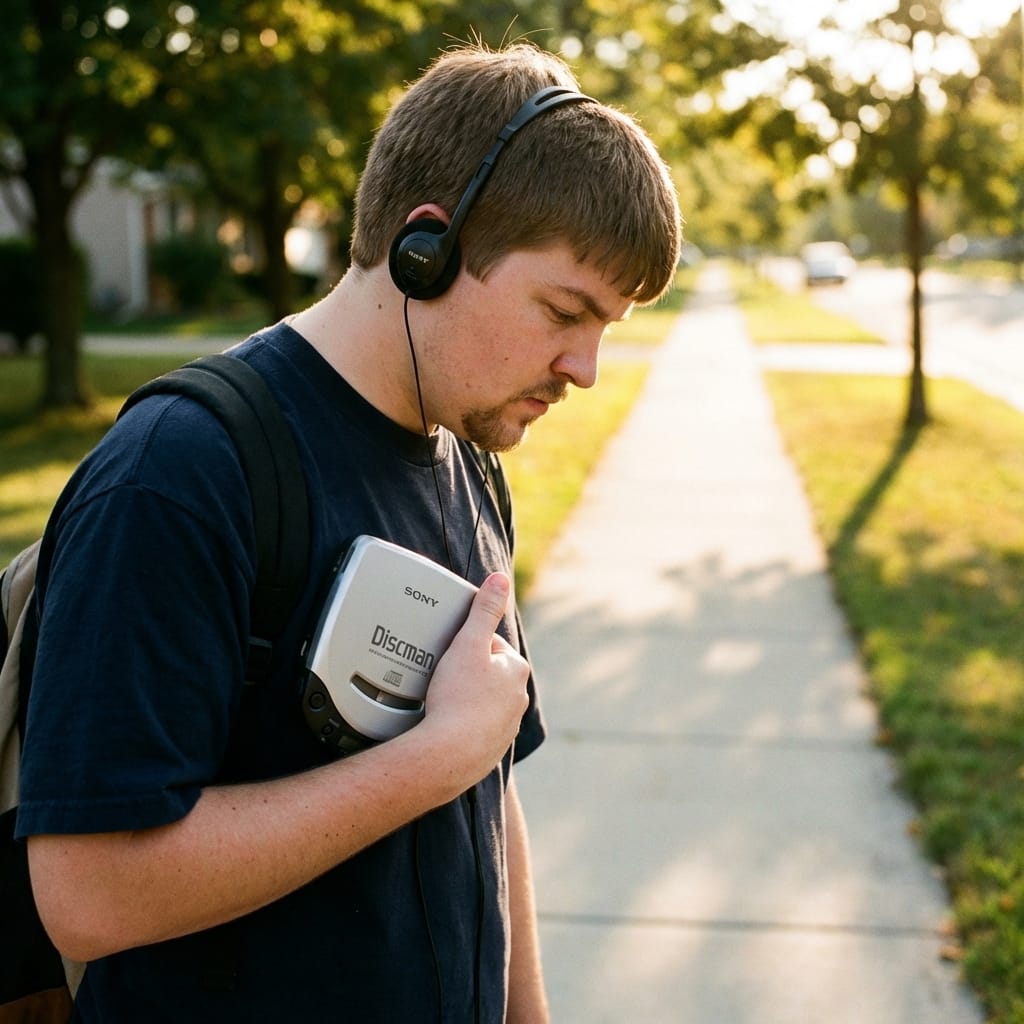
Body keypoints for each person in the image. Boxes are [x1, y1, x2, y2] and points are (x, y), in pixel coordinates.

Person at [17, 41, 680, 1022]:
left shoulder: (467, 459)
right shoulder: (181, 474)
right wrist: (428, 759)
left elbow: (487, 789)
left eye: (607, 327)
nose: (583, 367)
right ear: (427, 249)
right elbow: (89, 892)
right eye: (564, 310)